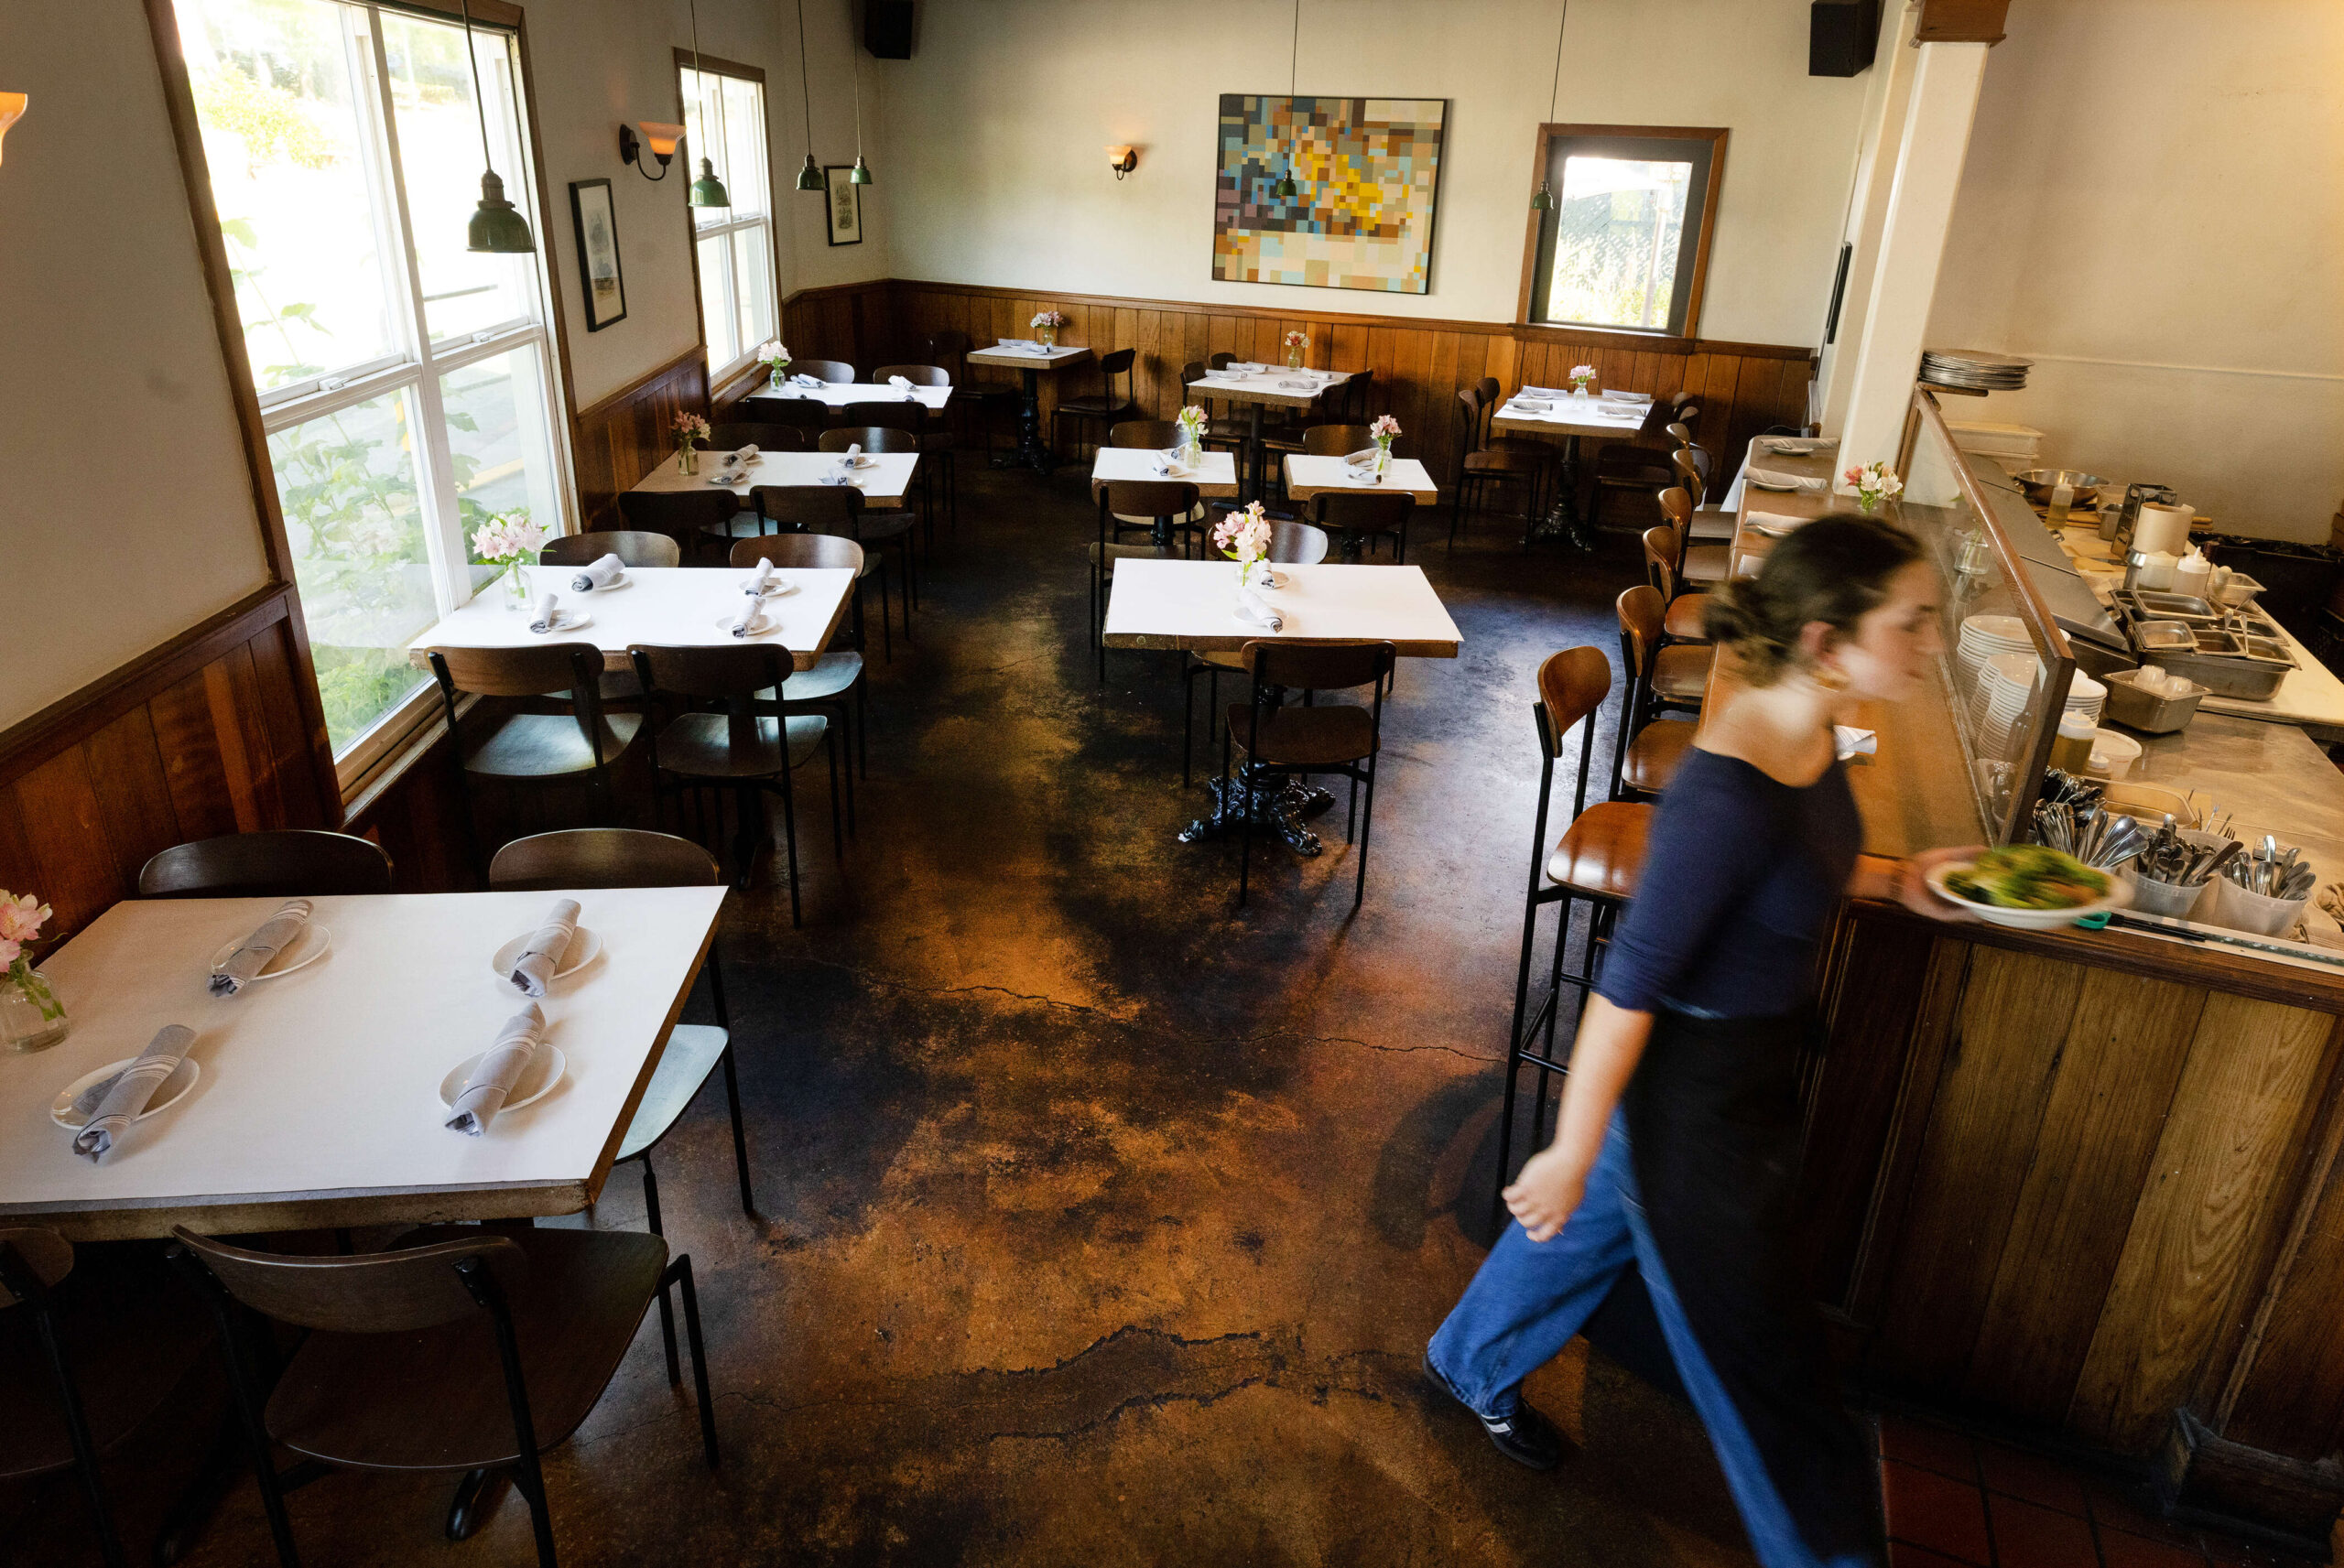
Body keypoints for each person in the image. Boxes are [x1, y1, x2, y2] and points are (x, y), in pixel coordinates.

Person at [1425, 516, 1976, 1568]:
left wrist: (1897, 881)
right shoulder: (1725, 794)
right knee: (1760, 1366)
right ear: (1824, 641)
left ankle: (1468, 1358)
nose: (1930, 643)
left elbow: (1793, 870)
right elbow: (1626, 990)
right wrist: (1568, 1146)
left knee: (1590, 1229)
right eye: (1911, 623)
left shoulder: (1813, 728)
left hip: (1742, 1068)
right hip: (1695, 1098)